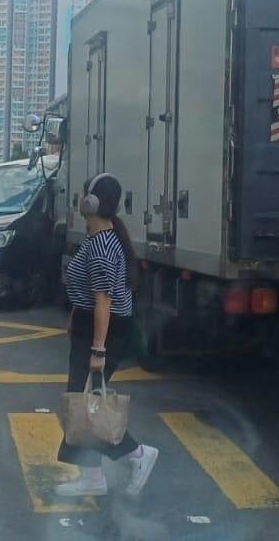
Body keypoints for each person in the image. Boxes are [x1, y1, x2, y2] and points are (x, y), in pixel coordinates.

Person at [55, 173, 159, 498]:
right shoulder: (101, 236)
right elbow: (90, 291)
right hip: (92, 324)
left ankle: (137, 454)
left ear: (92, 202)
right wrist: (75, 316)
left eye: (84, 194)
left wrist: (98, 350)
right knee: (82, 401)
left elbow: (104, 299)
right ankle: (93, 475)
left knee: (84, 404)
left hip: (104, 330)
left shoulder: (102, 245)